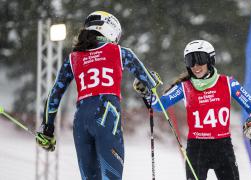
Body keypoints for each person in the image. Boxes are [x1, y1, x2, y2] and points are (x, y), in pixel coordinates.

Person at [35, 11, 160, 180]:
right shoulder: (120, 52)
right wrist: (149, 82)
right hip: (106, 116)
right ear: (110, 30)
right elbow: (149, 82)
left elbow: (54, 94)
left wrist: (48, 128)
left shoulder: (73, 58)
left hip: (81, 121)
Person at [133, 40, 251, 180]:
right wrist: (146, 93)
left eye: (200, 59)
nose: (195, 66)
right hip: (197, 148)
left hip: (223, 147)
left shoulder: (227, 83)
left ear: (210, 60)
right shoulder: (184, 87)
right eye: (190, 61)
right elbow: (159, 106)